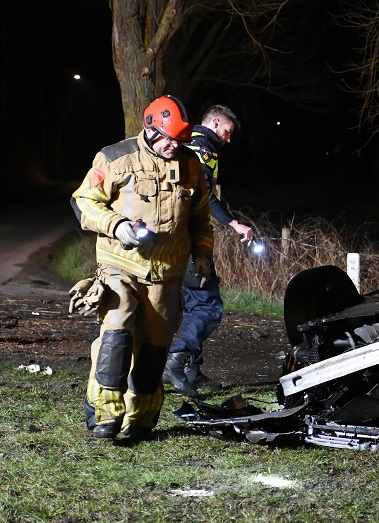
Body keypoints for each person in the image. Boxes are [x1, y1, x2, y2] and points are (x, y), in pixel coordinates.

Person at [71, 94, 214, 441]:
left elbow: (200, 220)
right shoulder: (115, 157)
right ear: (150, 128)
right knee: (117, 335)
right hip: (119, 266)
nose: (172, 146)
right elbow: (83, 200)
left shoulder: (191, 164)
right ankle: (105, 416)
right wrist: (116, 225)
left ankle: (141, 418)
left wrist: (202, 254)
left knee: (154, 347)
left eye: (179, 140)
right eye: (167, 138)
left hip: (167, 272)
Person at [162, 104, 255, 397]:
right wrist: (235, 224)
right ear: (215, 123)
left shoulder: (196, 146)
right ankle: (175, 362)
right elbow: (202, 195)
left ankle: (191, 370)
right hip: (188, 240)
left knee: (195, 304)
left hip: (184, 237)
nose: (228, 139)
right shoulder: (200, 148)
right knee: (208, 306)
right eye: (227, 132)